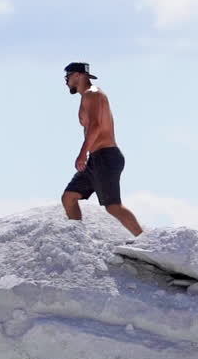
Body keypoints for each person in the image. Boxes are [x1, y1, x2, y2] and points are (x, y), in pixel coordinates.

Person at [60, 62, 144, 236]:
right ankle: (78, 239)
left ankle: (146, 240)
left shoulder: (94, 95)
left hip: (106, 156)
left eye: (67, 77)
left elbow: (96, 126)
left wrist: (82, 153)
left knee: (113, 206)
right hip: (96, 158)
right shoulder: (87, 96)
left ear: (77, 75)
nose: (66, 81)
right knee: (69, 197)